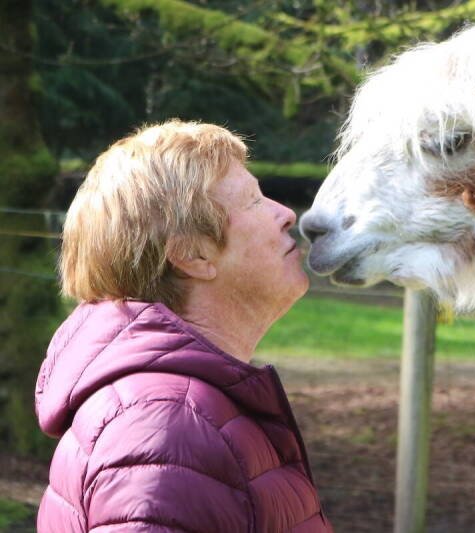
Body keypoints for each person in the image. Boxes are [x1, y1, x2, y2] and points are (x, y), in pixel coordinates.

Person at [34, 120, 333, 532]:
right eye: (253, 201)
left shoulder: (182, 414)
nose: (286, 214)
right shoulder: (165, 430)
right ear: (192, 254)